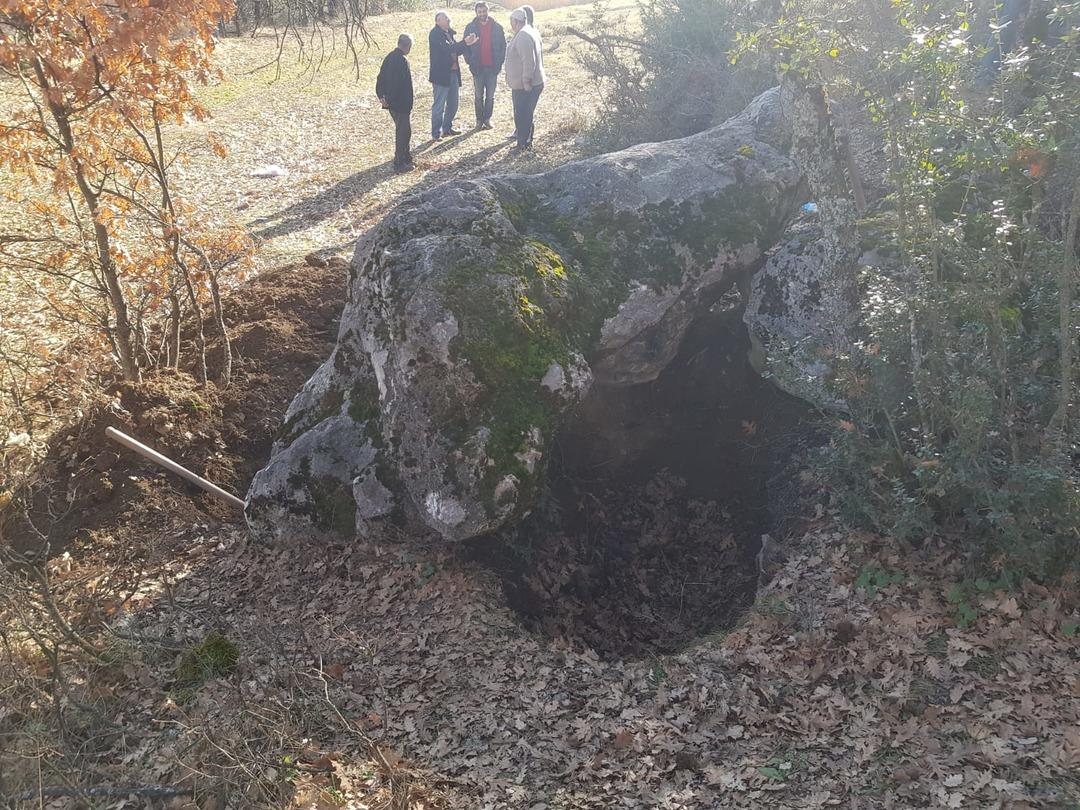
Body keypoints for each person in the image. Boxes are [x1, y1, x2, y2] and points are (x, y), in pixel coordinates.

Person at [428, 11, 477, 140]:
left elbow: (456, 50)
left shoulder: (449, 34)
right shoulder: (435, 34)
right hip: (441, 75)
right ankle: (436, 133)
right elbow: (447, 49)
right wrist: (464, 42)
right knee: (439, 105)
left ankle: (447, 128)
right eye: (444, 18)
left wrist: (467, 44)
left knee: (453, 103)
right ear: (437, 21)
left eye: (448, 17)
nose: (448, 19)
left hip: (453, 73)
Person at [504, 7, 545, 149]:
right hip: (524, 83)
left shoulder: (523, 36)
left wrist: (526, 81)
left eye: (511, 21)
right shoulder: (528, 31)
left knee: (523, 115)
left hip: (526, 85)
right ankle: (524, 142)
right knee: (524, 113)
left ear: (515, 21)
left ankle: (524, 144)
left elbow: (529, 61)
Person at [375, 33, 415, 172]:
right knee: (403, 132)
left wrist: (382, 96)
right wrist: (390, 99)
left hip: (392, 102)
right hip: (400, 103)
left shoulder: (389, 58)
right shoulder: (401, 61)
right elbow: (398, 84)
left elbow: (380, 78)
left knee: (405, 131)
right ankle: (399, 162)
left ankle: (406, 157)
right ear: (408, 46)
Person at [463, 2, 506, 130]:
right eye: (479, 11)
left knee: (490, 96)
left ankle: (487, 119)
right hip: (477, 67)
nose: (482, 14)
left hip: (493, 67)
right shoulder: (470, 27)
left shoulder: (497, 27)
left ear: (488, 11)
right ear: (476, 13)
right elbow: (465, 46)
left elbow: (503, 46)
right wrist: (469, 61)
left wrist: (499, 62)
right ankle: (479, 120)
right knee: (478, 96)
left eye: (484, 11)